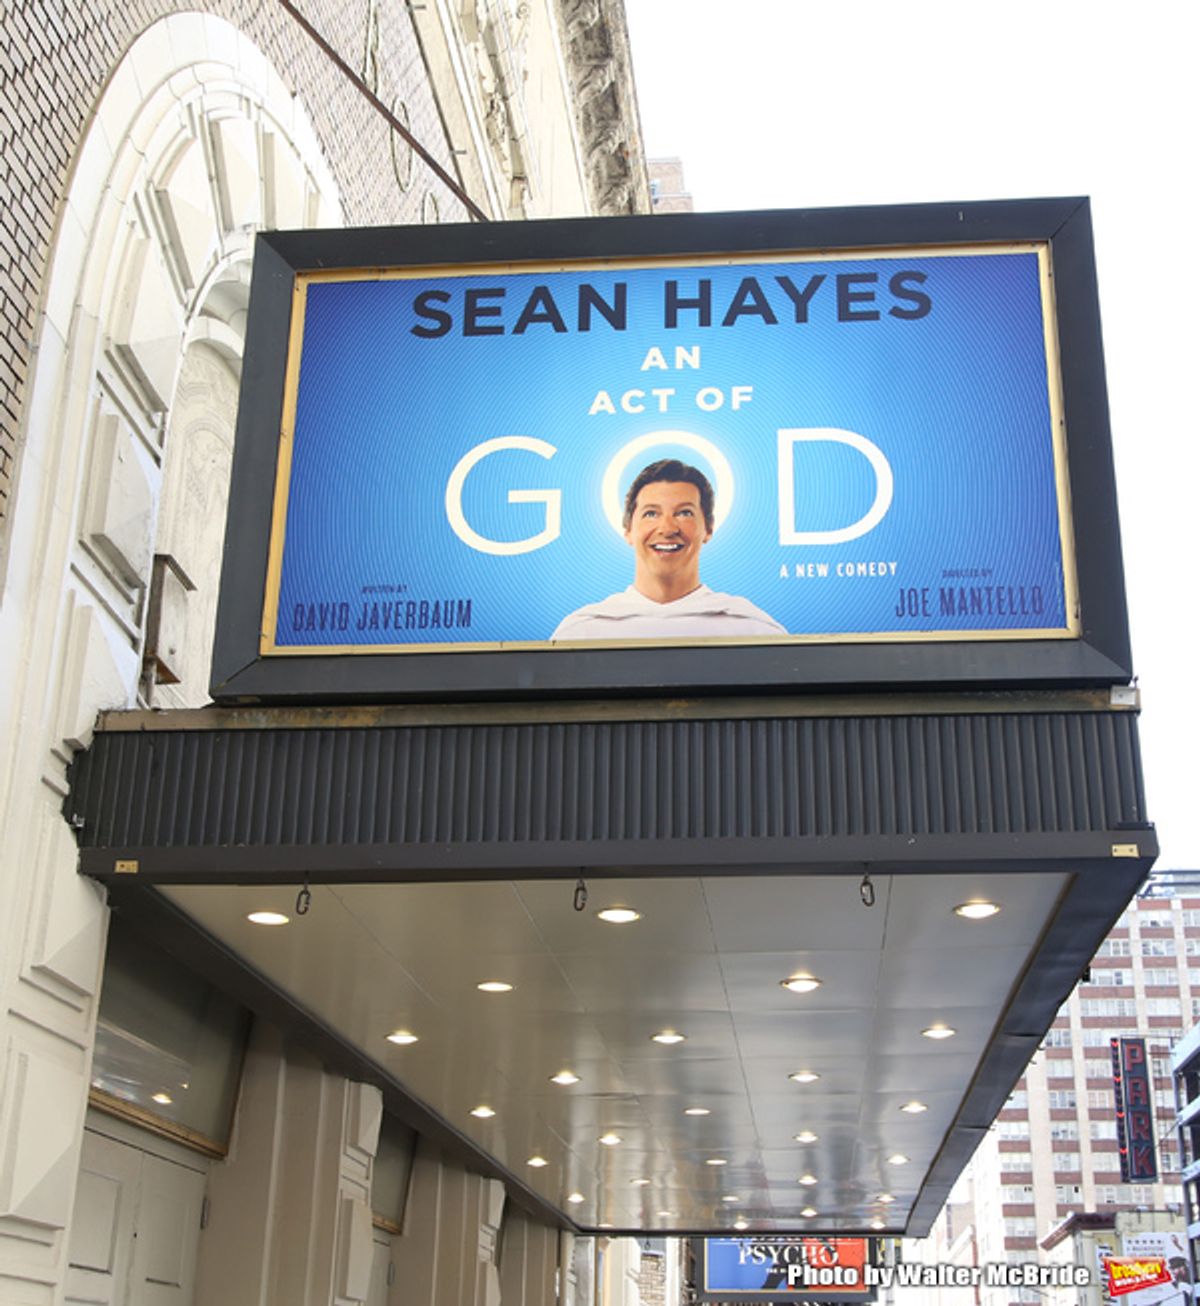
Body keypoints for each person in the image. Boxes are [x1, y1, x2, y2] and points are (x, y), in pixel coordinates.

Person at [550, 458, 786, 641]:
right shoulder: (580, 633)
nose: (667, 528)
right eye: (650, 513)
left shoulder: (754, 631)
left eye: (684, 513)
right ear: (628, 531)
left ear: (709, 529)